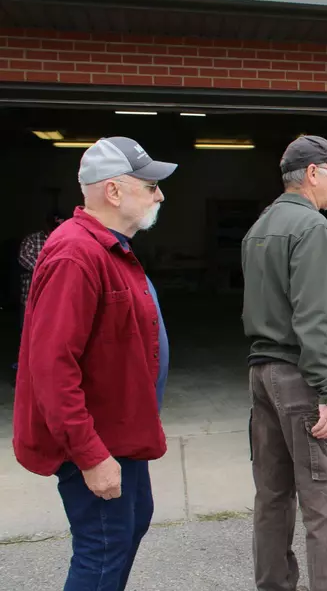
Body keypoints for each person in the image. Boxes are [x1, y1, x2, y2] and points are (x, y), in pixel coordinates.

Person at [12, 136, 177, 590]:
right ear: (114, 191)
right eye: (151, 186)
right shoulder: (75, 254)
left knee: (129, 527)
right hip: (97, 440)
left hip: (123, 433)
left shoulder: (109, 246)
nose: (160, 194)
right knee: (104, 546)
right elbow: (51, 367)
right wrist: (90, 456)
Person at [241, 135, 327, 591]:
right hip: (302, 378)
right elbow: (314, 319)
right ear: (313, 173)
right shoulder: (313, 228)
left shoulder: (261, 226)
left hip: (263, 373)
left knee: (272, 496)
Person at [13, 211, 65, 371]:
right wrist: (56, 268)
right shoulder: (31, 240)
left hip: (57, 301)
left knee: (53, 337)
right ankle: (25, 370)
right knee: (27, 336)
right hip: (31, 298)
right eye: (53, 225)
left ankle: (46, 370)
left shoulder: (67, 240)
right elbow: (27, 261)